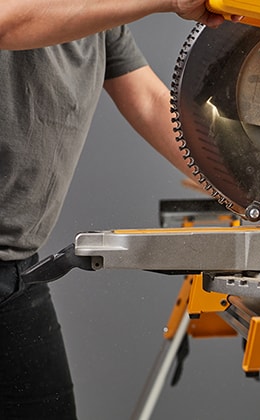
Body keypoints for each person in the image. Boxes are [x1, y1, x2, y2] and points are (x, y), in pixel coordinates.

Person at [0, 2, 232, 418]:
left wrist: (251, 188)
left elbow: (151, 103)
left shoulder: (101, 17)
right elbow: (10, 22)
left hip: (17, 271)